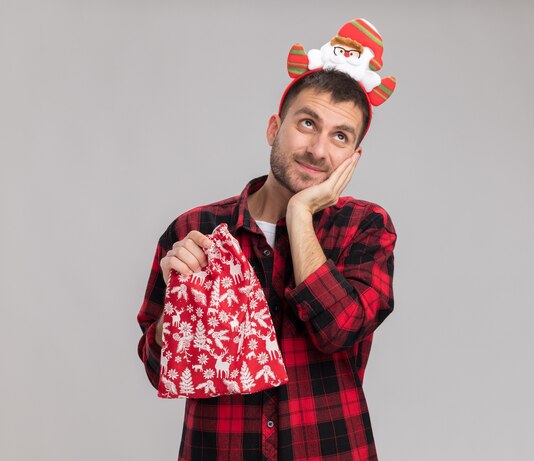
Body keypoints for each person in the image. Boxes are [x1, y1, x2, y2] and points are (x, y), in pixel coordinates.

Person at [137, 19, 397, 461]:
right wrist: (180, 311)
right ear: (274, 128)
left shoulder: (365, 227)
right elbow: (163, 369)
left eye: (339, 136)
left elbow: (339, 330)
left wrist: (298, 215)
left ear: (353, 157)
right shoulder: (194, 228)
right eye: (307, 123)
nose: (318, 149)